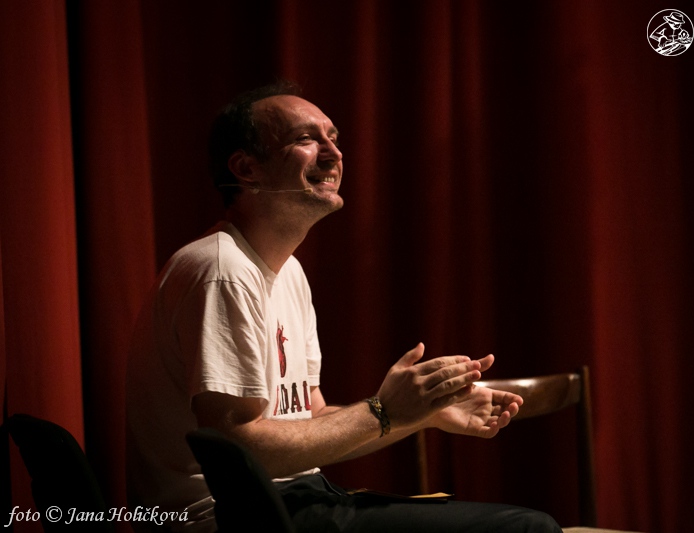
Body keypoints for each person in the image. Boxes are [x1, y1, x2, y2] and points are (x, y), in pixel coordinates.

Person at [126, 82, 562, 532]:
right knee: (526, 529)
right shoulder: (222, 270)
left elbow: (312, 420)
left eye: (334, 138)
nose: (334, 153)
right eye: (306, 138)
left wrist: (421, 415)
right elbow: (238, 446)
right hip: (228, 519)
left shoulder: (288, 271)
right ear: (247, 168)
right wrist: (384, 410)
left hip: (296, 499)